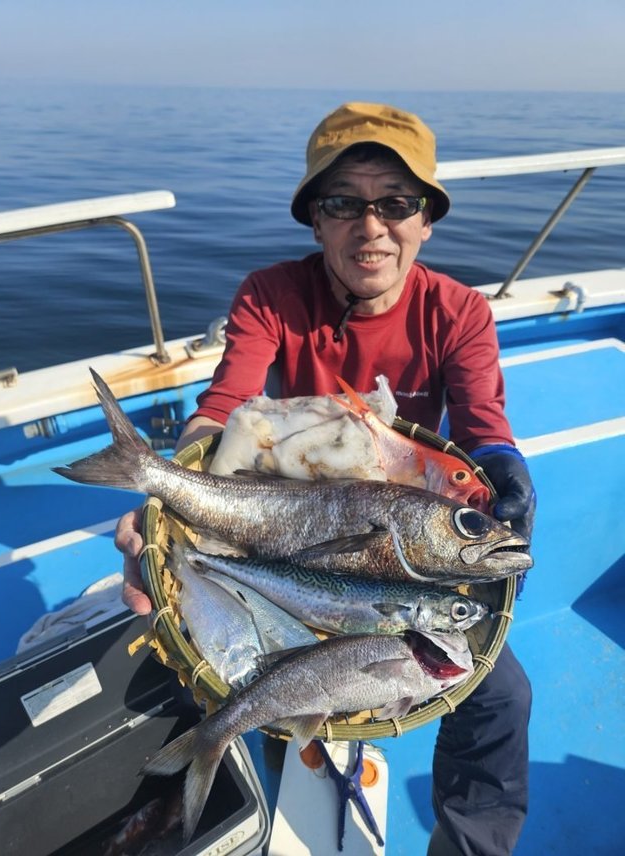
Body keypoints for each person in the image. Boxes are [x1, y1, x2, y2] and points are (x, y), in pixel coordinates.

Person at [116, 101, 535, 856]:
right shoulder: (271, 293)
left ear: (425, 220)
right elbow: (222, 409)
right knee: (177, 657)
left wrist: (506, 474)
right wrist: (169, 489)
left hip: (395, 555)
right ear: (315, 220)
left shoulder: (460, 311)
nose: (370, 226)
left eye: (394, 203)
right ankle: (168, 814)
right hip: (277, 529)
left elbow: (482, 427)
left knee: (503, 698)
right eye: (343, 202)